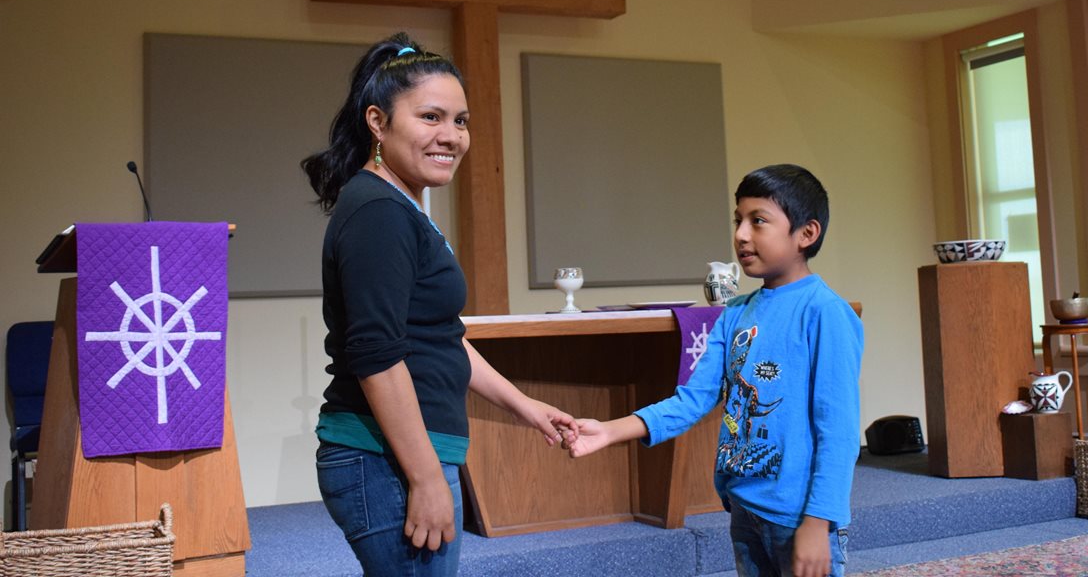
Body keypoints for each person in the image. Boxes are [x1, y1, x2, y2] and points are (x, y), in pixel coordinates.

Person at [301, 33, 578, 576]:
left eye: (461, 121)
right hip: (386, 461)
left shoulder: (399, 204)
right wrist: (426, 478)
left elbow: (437, 336)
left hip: (409, 454)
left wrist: (524, 405)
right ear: (377, 123)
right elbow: (377, 354)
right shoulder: (378, 212)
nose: (450, 136)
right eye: (431, 117)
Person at [569, 164, 864, 577]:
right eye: (738, 220)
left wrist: (819, 522)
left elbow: (840, 431)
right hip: (746, 506)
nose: (742, 234)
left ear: (806, 234)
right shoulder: (735, 313)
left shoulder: (825, 314)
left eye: (758, 221)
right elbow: (693, 400)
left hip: (800, 515)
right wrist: (610, 430)